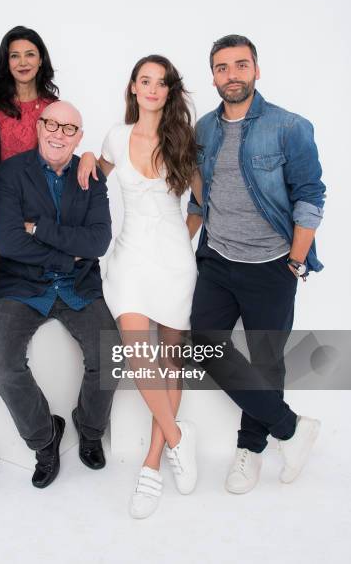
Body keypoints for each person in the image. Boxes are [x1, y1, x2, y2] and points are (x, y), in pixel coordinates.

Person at [187, 34, 325, 494]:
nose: (232, 75)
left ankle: (250, 449)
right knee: (205, 344)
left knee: (266, 360)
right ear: (213, 76)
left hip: (272, 263)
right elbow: (199, 197)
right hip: (218, 260)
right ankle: (290, 427)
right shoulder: (204, 129)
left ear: (256, 70)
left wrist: (298, 257)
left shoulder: (289, 126)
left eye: (240, 65)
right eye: (222, 68)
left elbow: (310, 196)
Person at [78, 55, 202, 519]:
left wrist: (179, 244)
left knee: (171, 360)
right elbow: (93, 185)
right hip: (128, 256)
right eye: (144, 80)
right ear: (133, 86)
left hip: (174, 260)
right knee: (136, 351)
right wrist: (87, 155)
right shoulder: (115, 135)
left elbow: (200, 207)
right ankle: (177, 437)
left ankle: (152, 462)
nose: (152, 88)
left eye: (161, 82)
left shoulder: (185, 140)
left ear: (169, 91)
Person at [0, 100, 120, 490]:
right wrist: (67, 250)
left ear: (80, 137)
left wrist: (38, 227)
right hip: (21, 286)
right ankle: (45, 439)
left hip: (78, 284)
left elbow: (98, 240)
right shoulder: (11, 173)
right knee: (0, 361)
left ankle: (90, 429)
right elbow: (8, 241)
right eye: (52, 125)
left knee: (111, 354)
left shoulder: (90, 176)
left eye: (70, 129)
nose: (59, 134)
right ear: (39, 126)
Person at [0, 26, 58, 160]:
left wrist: (87, 156)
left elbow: (62, 156)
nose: (22, 62)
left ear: (41, 60)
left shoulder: (52, 107)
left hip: (36, 181)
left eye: (30, 54)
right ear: (7, 62)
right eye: (15, 56)